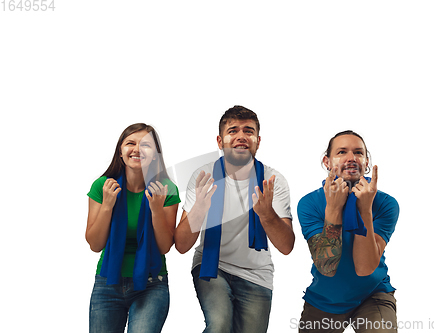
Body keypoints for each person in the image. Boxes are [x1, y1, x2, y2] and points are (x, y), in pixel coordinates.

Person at [174, 106, 295, 333]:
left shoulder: (273, 180)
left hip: (257, 274)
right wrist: (199, 208)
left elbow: (286, 246)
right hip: (212, 266)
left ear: (258, 140)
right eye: (233, 131)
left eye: (248, 131)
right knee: (219, 325)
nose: (241, 136)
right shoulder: (203, 176)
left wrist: (267, 214)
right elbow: (181, 245)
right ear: (220, 141)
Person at [297, 130, 399, 333]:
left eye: (358, 153)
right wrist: (333, 209)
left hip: (372, 294)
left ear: (366, 161)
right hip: (325, 298)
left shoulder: (386, 204)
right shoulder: (309, 204)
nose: (351, 158)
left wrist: (365, 210)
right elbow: (327, 267)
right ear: (327, 161)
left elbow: (364, 267)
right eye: (342, 152)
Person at [85, 123, 180, 333]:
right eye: (130, 143)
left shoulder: (166, 189)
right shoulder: (102, 186)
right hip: (108, 280)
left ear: (155, 154)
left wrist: (156, 210)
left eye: (145, 145)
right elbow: (95, 244)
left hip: (151, 283)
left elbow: (165, 246)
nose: (137, 149)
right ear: (121, 151)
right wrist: (108, 205)